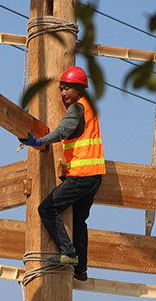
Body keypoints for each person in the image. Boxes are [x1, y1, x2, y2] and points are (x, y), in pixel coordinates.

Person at [19, 66, 105, 282]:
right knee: (79, 220)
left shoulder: (77, 109)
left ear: (79, 89)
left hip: (83, 175)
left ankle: (69, 253)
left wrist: (38, 142)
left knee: (46, 208)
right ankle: (81, 269)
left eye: (67, 89)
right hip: (94, 176)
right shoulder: (89, 108)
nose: (63, 93)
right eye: (61, 89)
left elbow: (61, 132)